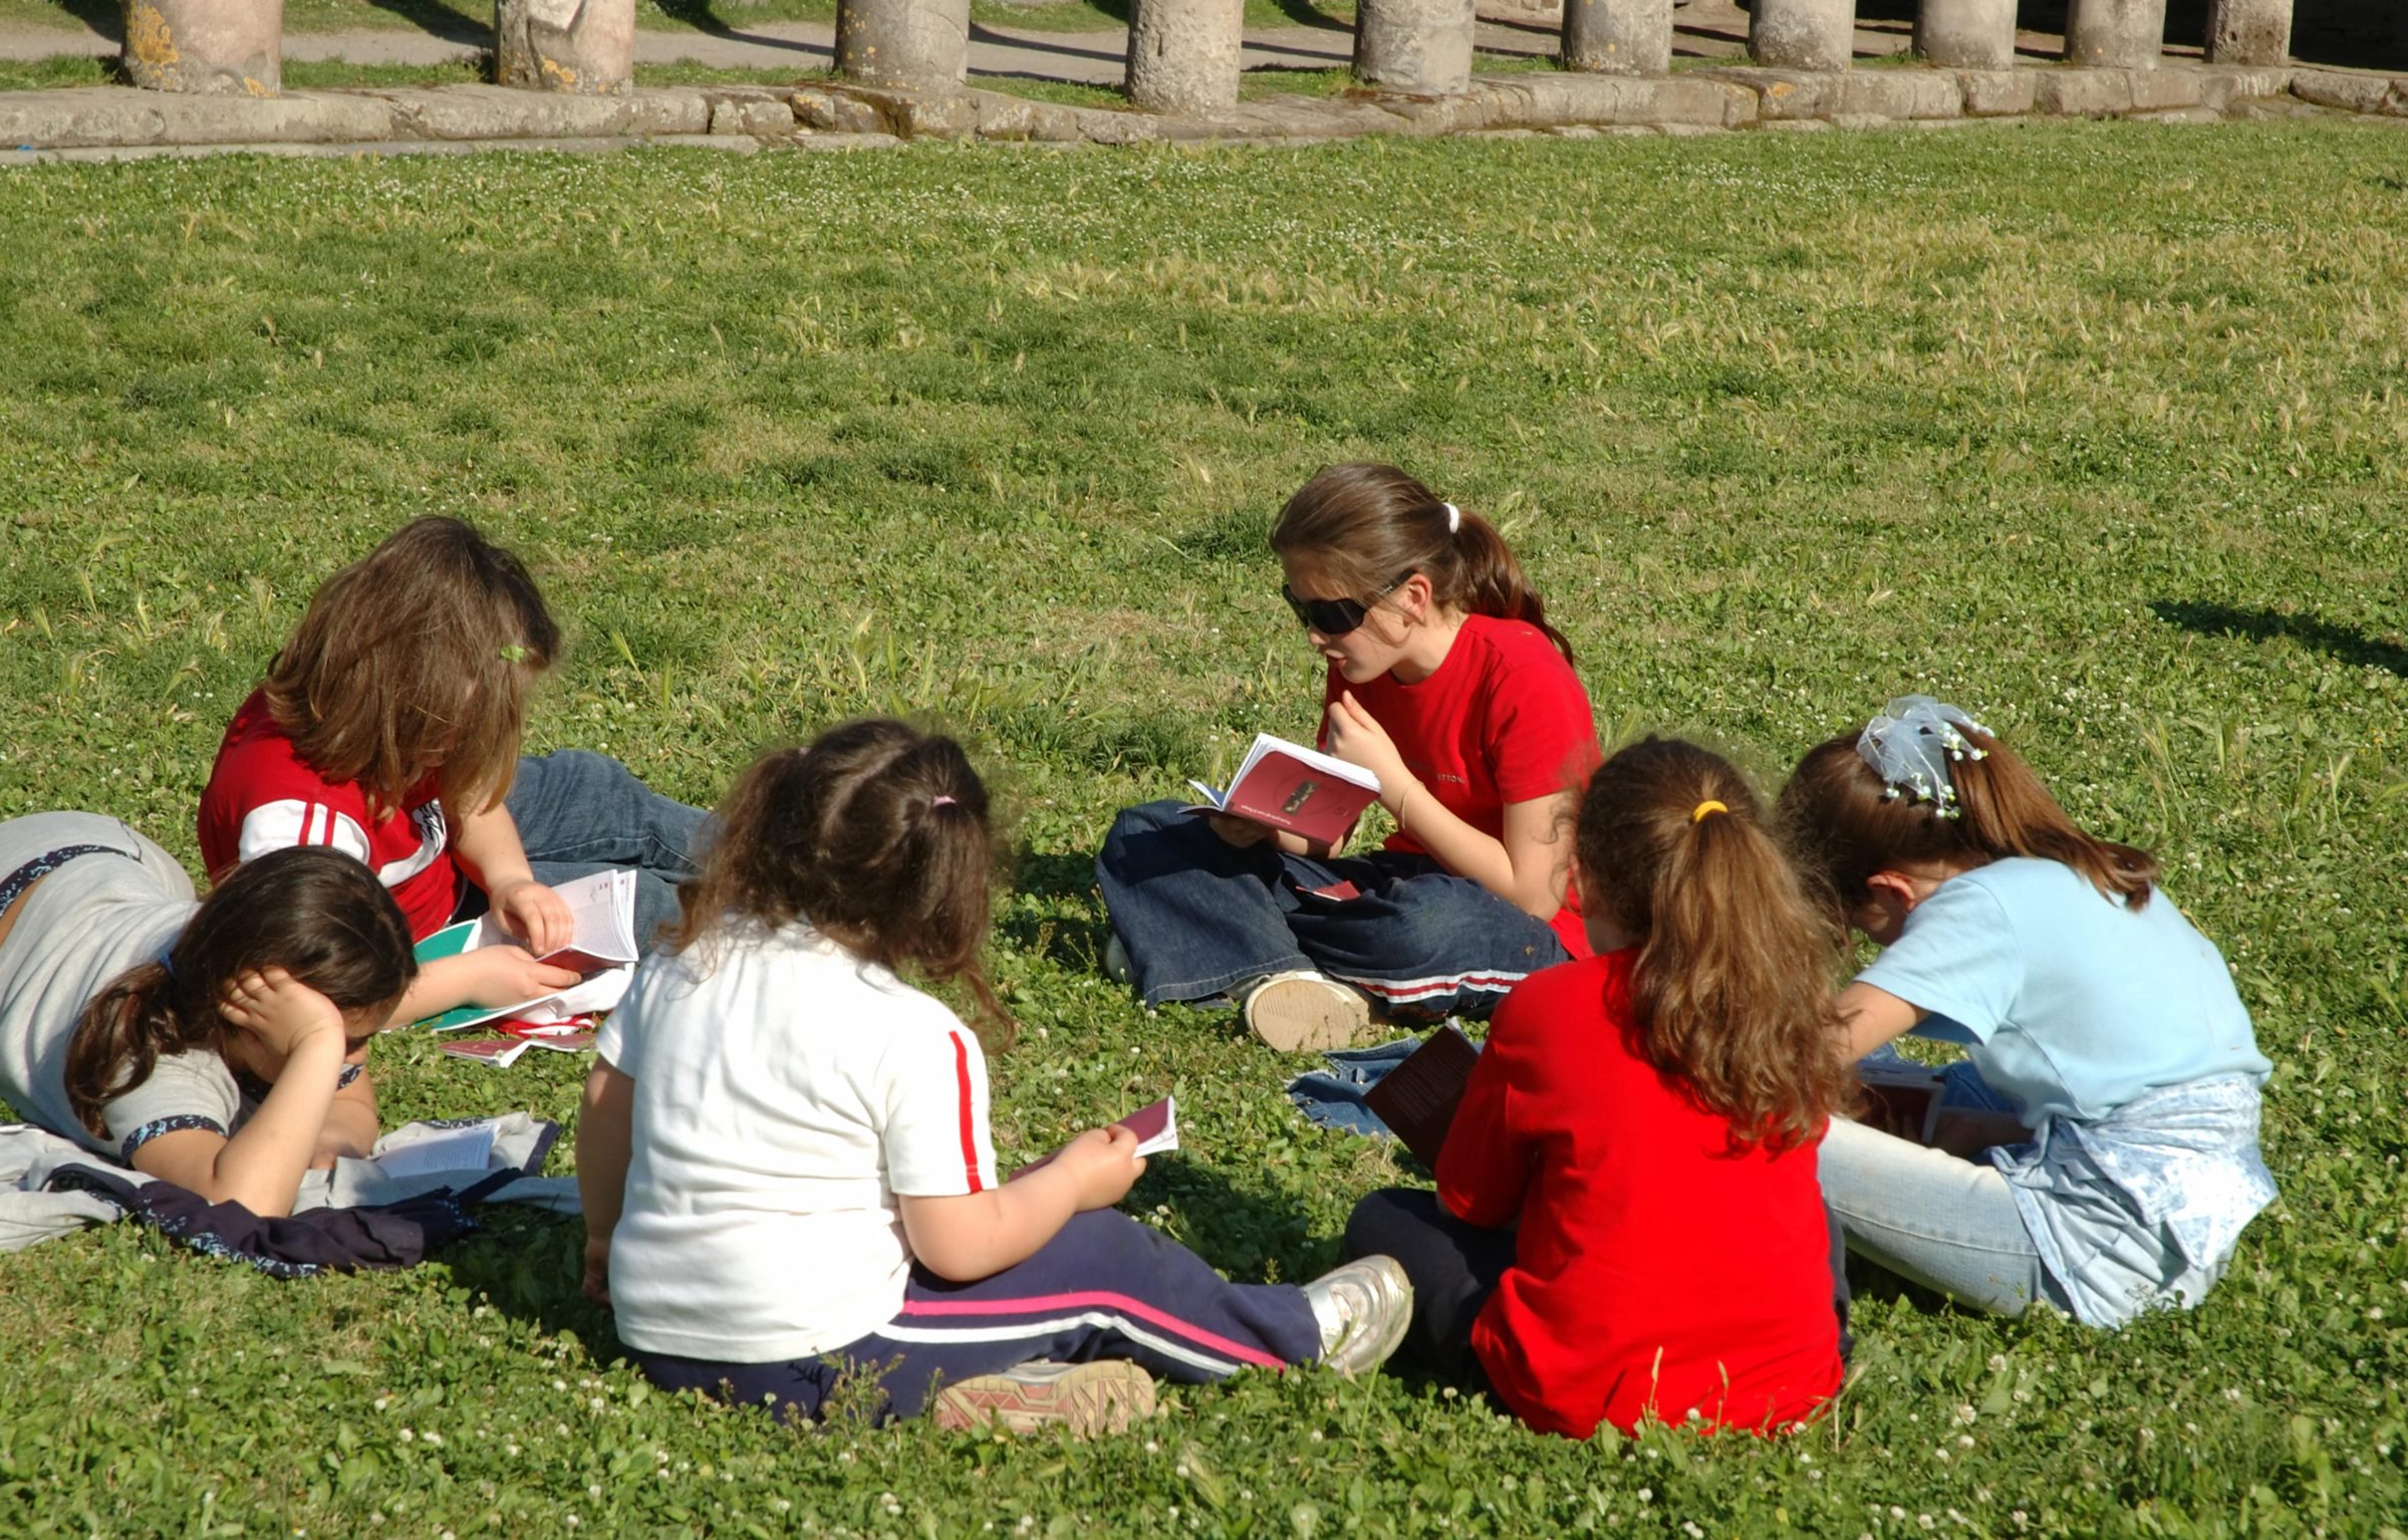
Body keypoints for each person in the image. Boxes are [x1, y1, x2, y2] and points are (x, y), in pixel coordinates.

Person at [577, 719, 1416, 1433]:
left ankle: (1015, 1392)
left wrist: (604, 1239)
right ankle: (1291, 1339)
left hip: (654, 1332)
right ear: (946, 885)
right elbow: (959, 1247)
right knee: (1101, 1258)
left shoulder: (689, 957)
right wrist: (1073, 1183)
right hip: (816, 1357)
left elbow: (606, 1101)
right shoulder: (912, 1031)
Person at [1344, 738, 1850, 1438]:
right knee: (1812, 1205)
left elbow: (1471, 1203)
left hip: (1594, 1393)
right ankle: (1813, 1337)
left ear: (1584, 878)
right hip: (1789, 1388)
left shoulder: (1550, 1006)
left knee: (1383, 1220)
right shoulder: (1790, 1001)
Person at [1777, 695, 2276, 1328]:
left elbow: (1793, 1059)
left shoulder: (1975, 911)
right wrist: (1971, 1132)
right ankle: (1954, 1146)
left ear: (1889, 890)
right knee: (1918, 1079)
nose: (1878, 950)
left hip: (2100, 1257)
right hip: (2188, 1226)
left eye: (1864, 927)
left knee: (1757, 1120)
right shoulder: (2071, 872)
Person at [1096, 464, 1599, 1052]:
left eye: (1332, 614)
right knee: (1150, 835)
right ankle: (1299, 982)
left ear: (1413, 597)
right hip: (1400, 885)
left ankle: (1220, 949)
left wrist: (1396, 786)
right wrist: (1261, 829)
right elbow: (1329, 837)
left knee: (1422, 926)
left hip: (1527, 930)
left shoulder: (1522, 673)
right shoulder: (1361, 664)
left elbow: (1533, 895)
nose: (1314, 635)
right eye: (1300, 608)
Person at [195, 517, 715, 1027]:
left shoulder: (380, 719)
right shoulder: (302, 825)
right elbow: (301, 997)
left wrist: (510, 877)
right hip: (433, 938)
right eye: (473, 725)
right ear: (414, 690)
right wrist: (467, 979)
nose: (476, 742)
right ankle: (778, 948)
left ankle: (780, 863)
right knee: (649, 907)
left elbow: (467, 789)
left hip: (438, 850)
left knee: (596, 791)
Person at [0, 813, 413, 1217]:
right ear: (247, 1007)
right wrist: (315, 1043)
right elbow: (240, 1204)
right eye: (336, 1039)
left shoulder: (235, 961)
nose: (346, 1056)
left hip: (103, 868)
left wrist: (331, 1140)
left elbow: (348, 1103)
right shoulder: (146, 1052)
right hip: (6, 891)